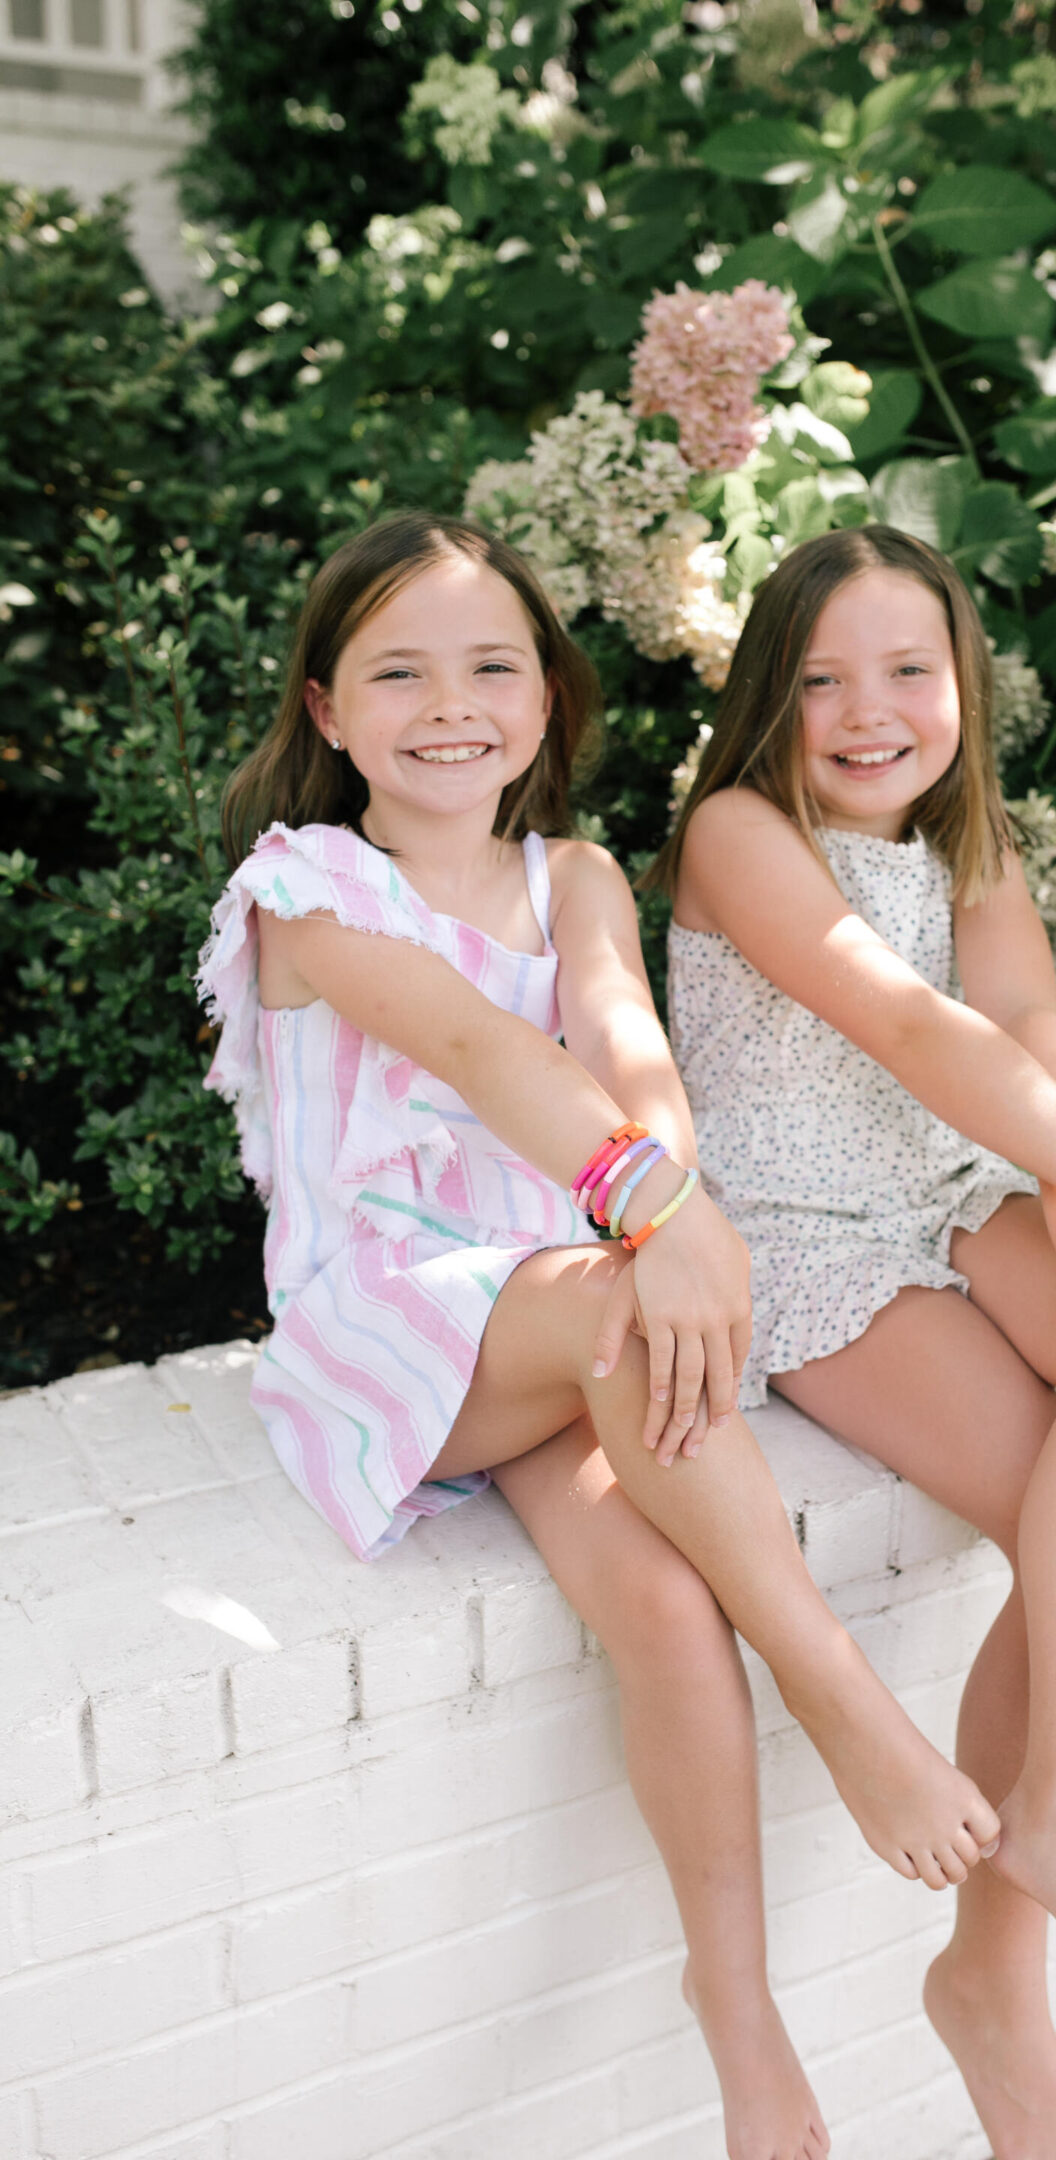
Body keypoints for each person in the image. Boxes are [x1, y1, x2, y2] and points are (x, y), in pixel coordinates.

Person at [198, 510, 1002, 2160]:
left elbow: (627, 1048)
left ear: (550, 701)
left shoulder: (574, 875)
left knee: (661, 1604)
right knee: (624, 1308)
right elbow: (478, 1049)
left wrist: (671, 1188)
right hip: (394, 1320)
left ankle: (741, 2021)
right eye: (398, 672)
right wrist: (658, 1217)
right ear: (328, 710)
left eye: (495, 665)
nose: (452, 704)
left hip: (566, 1301)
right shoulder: (306, 891)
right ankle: (846, 1701)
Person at [652, 523, 1056, 2160]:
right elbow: (903, 1023)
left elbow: (1025, 1028)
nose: (870, 711)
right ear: (772, 697)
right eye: (825, 677)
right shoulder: (739, 832)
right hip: (808, 1229)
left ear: (961, 687)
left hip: (955, 1188)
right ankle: (1020, 1941)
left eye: (909, 672)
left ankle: (1023, 1900)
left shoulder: (969, 845)